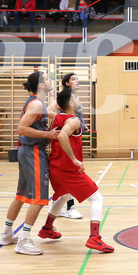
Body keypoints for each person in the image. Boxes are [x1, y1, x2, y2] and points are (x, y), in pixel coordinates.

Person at [40, 88, 114, 253]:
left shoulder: (58, 117)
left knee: (64, 195)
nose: (80, 100)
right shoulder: (73, 120)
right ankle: (94, 237)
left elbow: (59, 130)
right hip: (68, 170)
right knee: (97, 198)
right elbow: (62, 136)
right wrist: (74, 159)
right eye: (77, 98)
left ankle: (47, 228)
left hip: (56, 167)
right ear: (71, 103)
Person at [0, 71, 60, 255]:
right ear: (41, 85)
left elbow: (48, 113)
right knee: (40, 199)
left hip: (27, 151)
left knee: (21, 195)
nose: (50, 82)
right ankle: (24, 240)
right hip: (32, 152)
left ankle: (7, 234)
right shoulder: (35, 104)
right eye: (47, 79)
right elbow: (21, 129)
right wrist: (47, 135)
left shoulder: (37, 104)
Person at [48, 72, 88, 220]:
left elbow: (78, 116)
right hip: (67, 135)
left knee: (68, 173)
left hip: (74, 131)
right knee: (70, 171)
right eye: (74, 79)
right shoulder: (65, 97)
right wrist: (64, 120)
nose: (77, 81)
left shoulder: (74, 97)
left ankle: (58, 207)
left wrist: (82, 126)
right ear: (66, 83)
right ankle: (70, 208)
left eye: (78, 79)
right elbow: (49, 111)